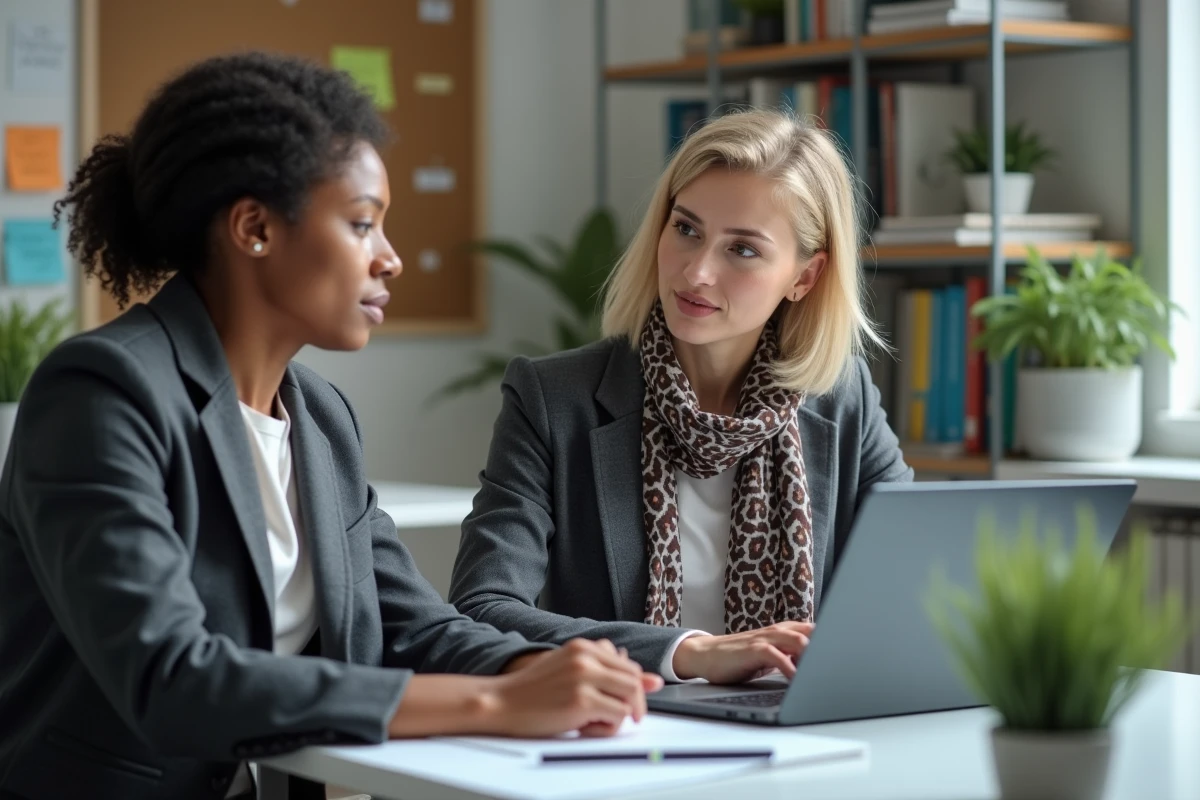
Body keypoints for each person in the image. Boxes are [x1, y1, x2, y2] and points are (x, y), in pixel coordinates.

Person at [0, 52, 658, 800]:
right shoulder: (101, 393)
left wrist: (536, 669)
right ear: (253, 227)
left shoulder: (318, 418)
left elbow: (415, 627)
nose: (392, 259)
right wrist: (499, 703)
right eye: (361, 223)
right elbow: (173, 679)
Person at [448, 108, 912, 686]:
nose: (696, 273)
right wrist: (687, 653)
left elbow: (913, 591)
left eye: (742, 250)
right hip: (626, 733)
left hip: (797, 733)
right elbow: (482, 609)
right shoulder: (552, 400)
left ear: (805, 277)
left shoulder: (843, 401)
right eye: (686, 229)